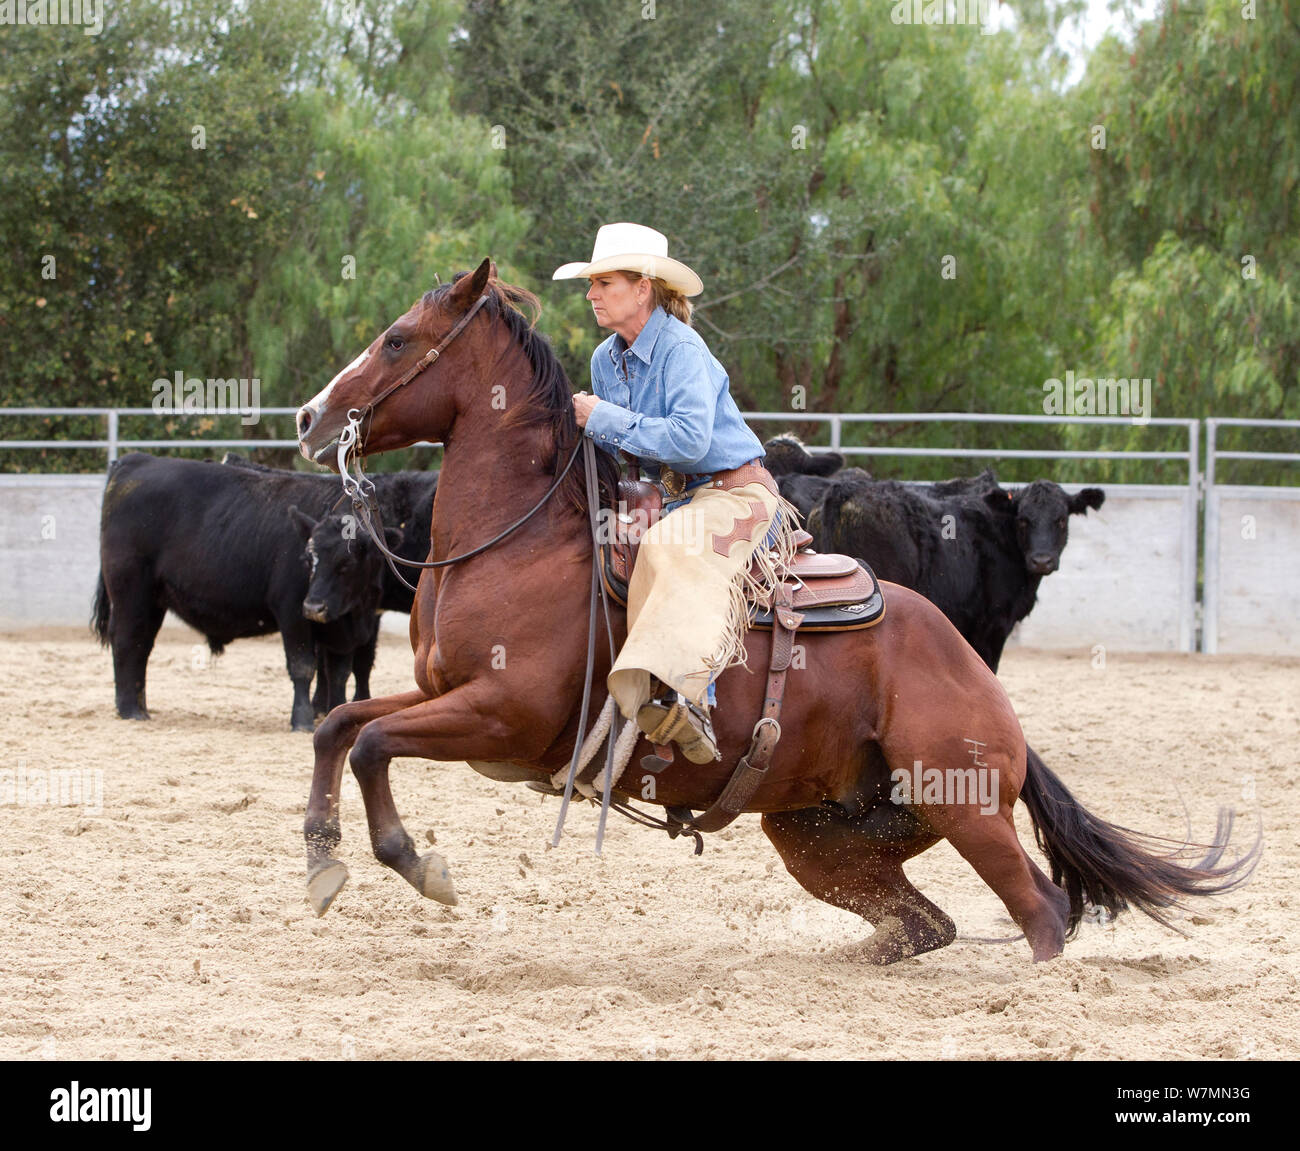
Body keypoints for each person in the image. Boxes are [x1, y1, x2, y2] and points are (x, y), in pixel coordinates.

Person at [553, 222, 797, 764]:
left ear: (643, 288)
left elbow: (690, 441)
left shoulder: (684, 350)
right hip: (666, 499)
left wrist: (602, 415)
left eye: (604, 283)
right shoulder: (603, 360)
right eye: (591, 284)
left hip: (733, 496)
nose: (591, 294)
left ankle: (693, 700)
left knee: (666, 547)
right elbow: (625, 452)